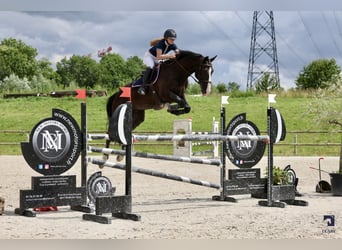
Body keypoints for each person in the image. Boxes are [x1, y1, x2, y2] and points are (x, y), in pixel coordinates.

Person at [138, 29, 180, 95]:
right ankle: (143, 87)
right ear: (166, 38)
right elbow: (159, 56)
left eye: (174, 39)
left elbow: (177, 51)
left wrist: (177, 52)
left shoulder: (172, 45)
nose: (173, 41)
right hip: (150, 56)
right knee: (151, 66)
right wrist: (169, 56)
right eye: (171, 39)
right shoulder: (160, 44)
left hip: (158, 58)